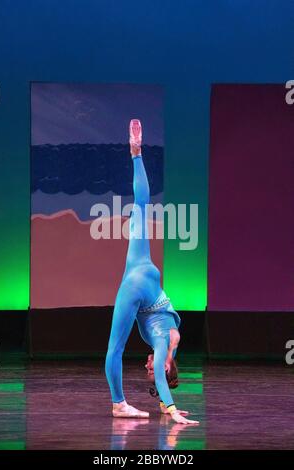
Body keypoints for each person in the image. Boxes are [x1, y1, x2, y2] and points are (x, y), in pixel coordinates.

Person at [105, 119, 199, 425]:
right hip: (136, 289)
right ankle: (119, 404)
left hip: (141, 269)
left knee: (142, 207)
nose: (148, 367)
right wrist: (171, 410)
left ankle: (136, 154)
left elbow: (163, 372)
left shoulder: (172, 341)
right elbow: (161, 370)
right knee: (114, 349)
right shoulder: (163, 342)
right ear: (169, 364)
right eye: (153, 367)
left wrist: (162, 402)